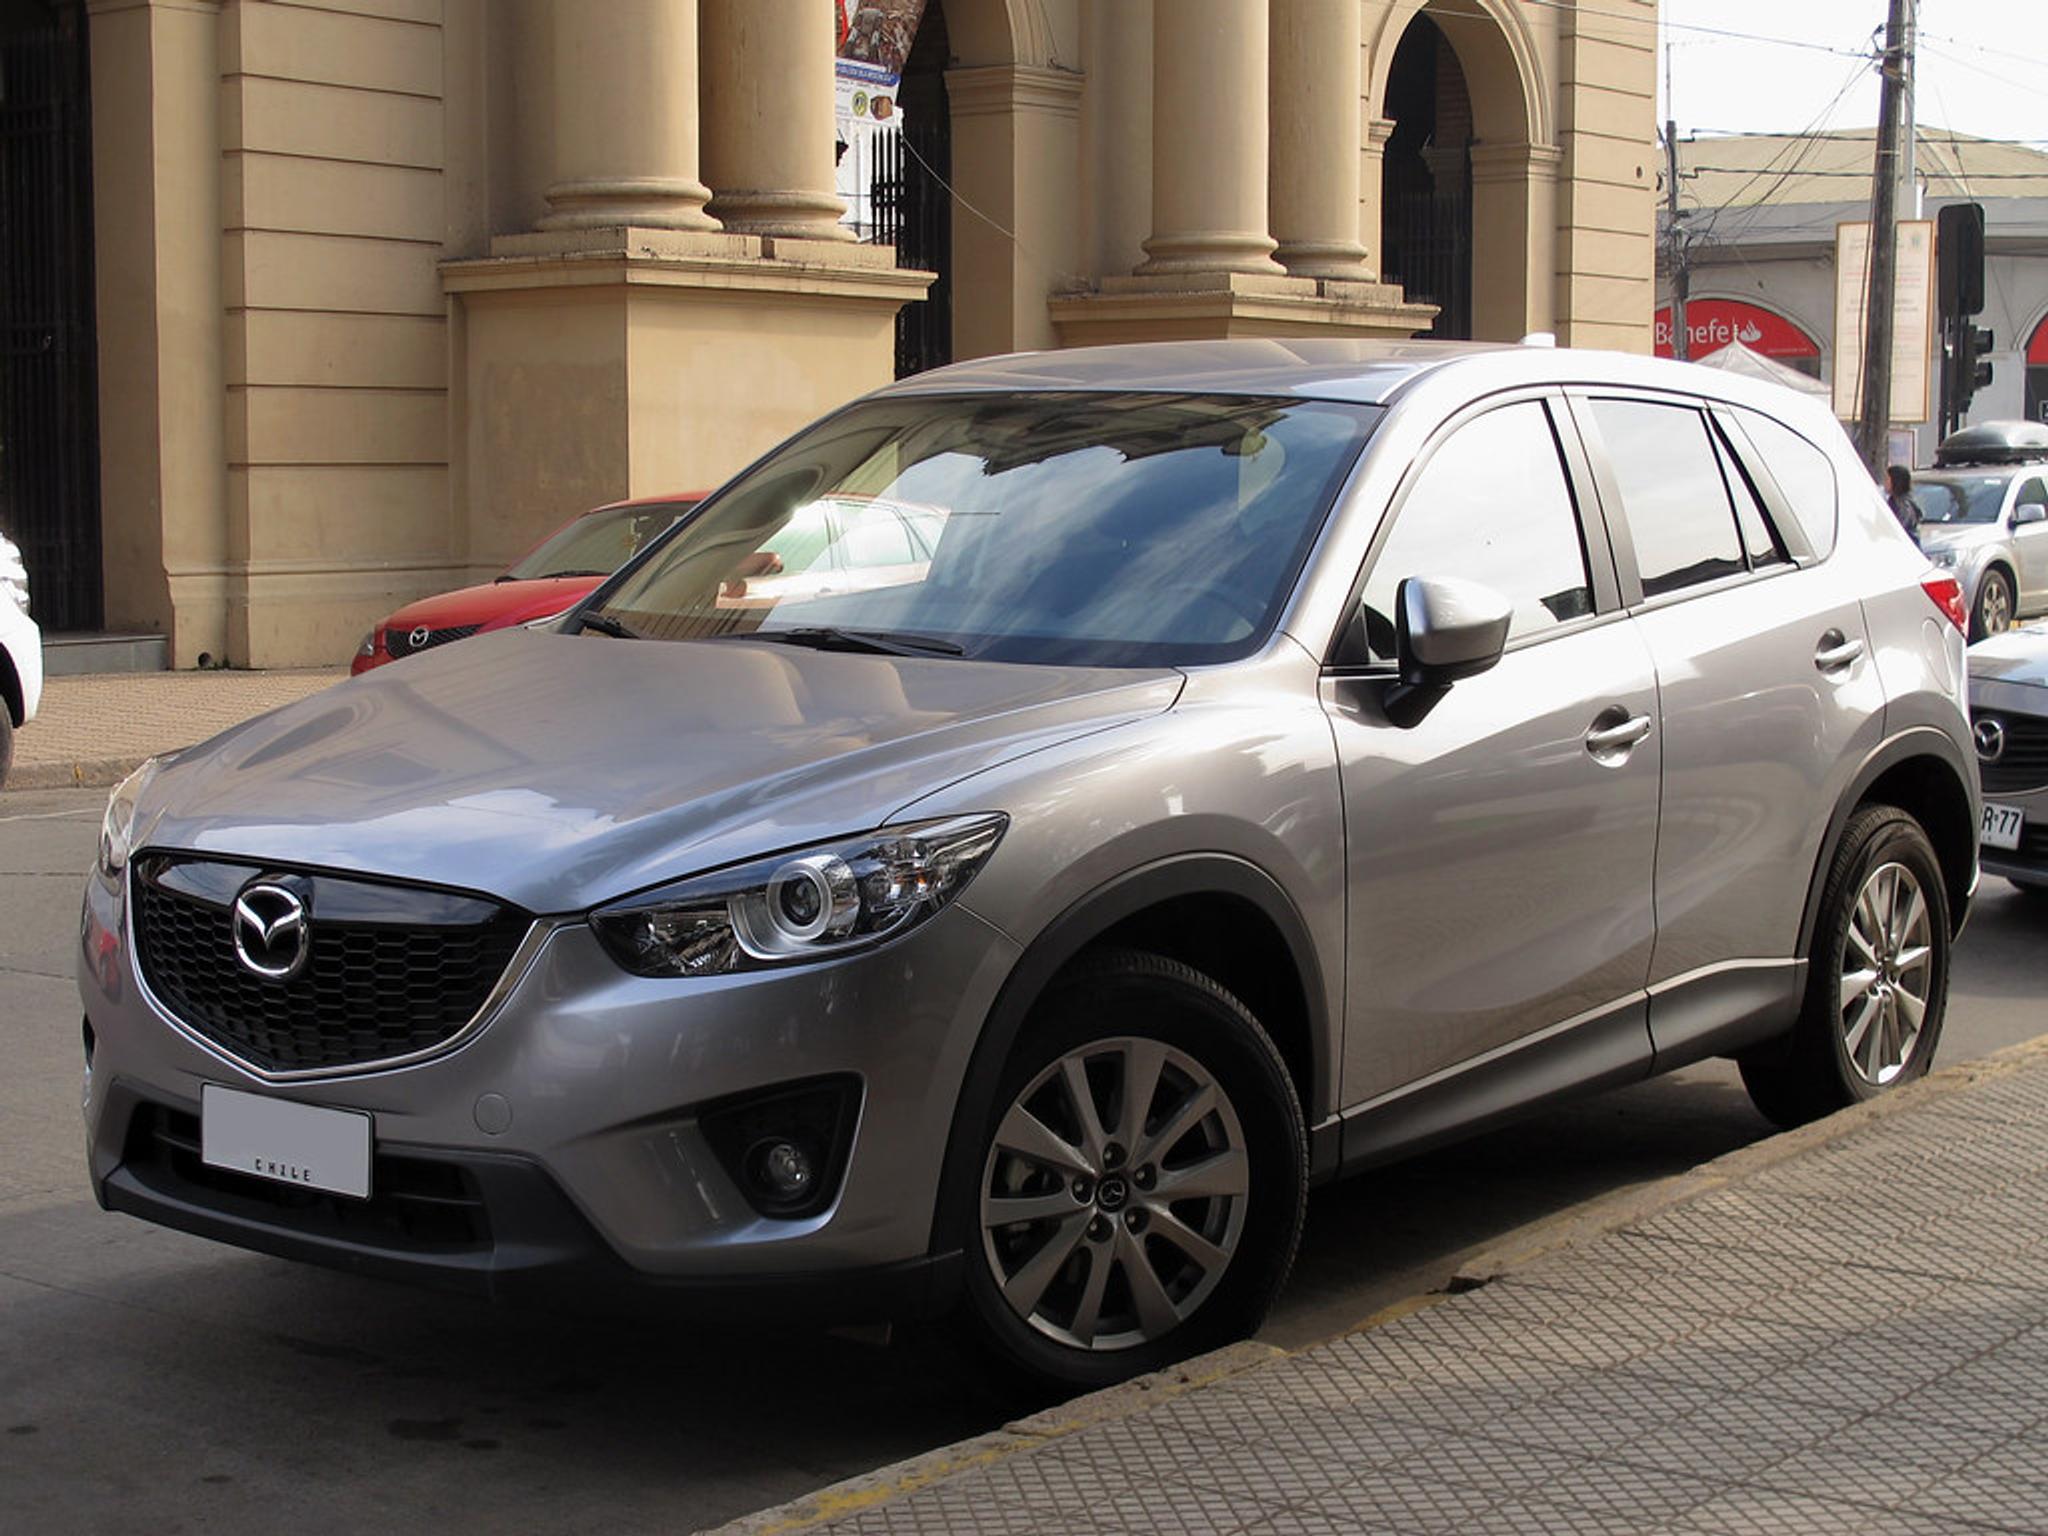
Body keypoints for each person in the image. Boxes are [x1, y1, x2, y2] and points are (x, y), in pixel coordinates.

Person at [1885, 464, 1921, 540]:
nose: (1885, 482)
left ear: (1895, 481)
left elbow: (1900, 527)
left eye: (1887, 479)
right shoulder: (1891, 500)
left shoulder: (1904, 504)